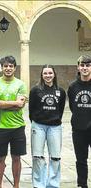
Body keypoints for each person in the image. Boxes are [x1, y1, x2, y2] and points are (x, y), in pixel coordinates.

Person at [0, 56, 27, 188]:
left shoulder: (21, 84)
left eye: (11, 66)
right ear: (1, 68)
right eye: (5, 66)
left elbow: (21, 105)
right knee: (0, 159)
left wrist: (4, 104)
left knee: (17, 158)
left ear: (15, 68)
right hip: (0, 126)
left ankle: (16, 185)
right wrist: (14, 103)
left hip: (18, 126)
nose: (8, 68)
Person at [29, 65, 66, 188]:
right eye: (45, 73)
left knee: (55, 157)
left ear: (54, 74)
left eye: (50, 73)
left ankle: (53, 184)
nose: (48, 75)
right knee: (37, 156)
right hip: (38, 126)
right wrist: (36, 121)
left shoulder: (60, 91)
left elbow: (60, 110)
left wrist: (54, 120)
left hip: (55, 127)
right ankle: (39, 184)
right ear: (42, 75)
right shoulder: (35, 90)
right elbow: (31, 109)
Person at [68, 55, 91, 188]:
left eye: (88, 65)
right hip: (78, 129)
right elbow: (72, 106)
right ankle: (82, 184)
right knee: (81, 160)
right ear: (78, 67)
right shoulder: (73, 86)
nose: (85, 68)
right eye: (82, 65)